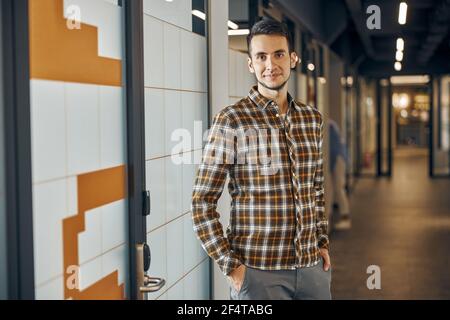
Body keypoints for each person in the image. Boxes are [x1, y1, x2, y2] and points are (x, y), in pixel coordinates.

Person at [191, 18, 331, 300]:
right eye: (261, 56)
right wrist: (232, 267)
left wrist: (322, 242)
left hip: (312, 269)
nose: (271, 65)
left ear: (293, 58)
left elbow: (315, 188)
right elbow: (202, 201)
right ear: (250, 64)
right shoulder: (232, 120)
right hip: (258, 274)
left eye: (279, 54)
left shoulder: (311, 118)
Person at [328, 119, 351, 230]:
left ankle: (345, 217)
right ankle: (329, 215)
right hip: (339, 159)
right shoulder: (332, 124)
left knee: (338, 188)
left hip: (337, 160)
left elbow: (332, 149)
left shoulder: (328, 126)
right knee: (333, 188)